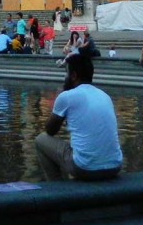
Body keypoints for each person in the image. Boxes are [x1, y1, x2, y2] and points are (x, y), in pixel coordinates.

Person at [34, 53, 122, 181]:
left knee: (40, 140)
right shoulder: (105, 96)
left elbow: (50, 130)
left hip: (85, 168)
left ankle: (58, 189)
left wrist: (60, 103)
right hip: (115, 166)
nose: (65, 77)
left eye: (66, 73)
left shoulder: (67, 96)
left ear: (74, 76)